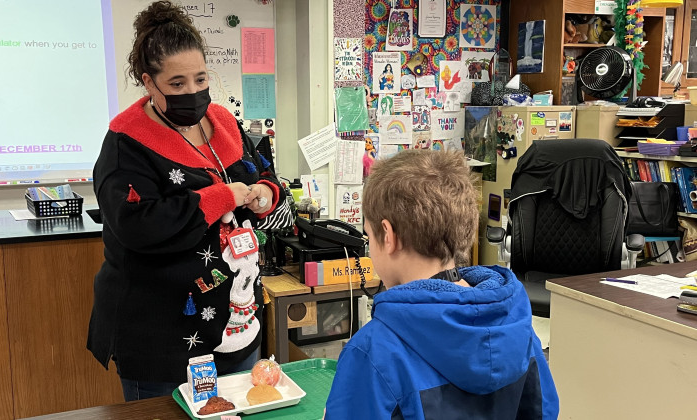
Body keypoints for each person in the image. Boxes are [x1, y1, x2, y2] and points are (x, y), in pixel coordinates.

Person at [86, 0, 285, 401]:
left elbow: (262, 170)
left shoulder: (223, 121)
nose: (192, 92)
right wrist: (219, 197)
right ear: (149, 82)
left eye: (200, 79)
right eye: (177, 84)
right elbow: (137, 225)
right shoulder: (127, 143)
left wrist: (266, 192)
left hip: (236, 325)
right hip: (164, 340)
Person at [324, 150, 558, 419]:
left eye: (368, 236)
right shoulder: (518, 328)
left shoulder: (373, 351)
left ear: (387, 235)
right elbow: (544, 410)